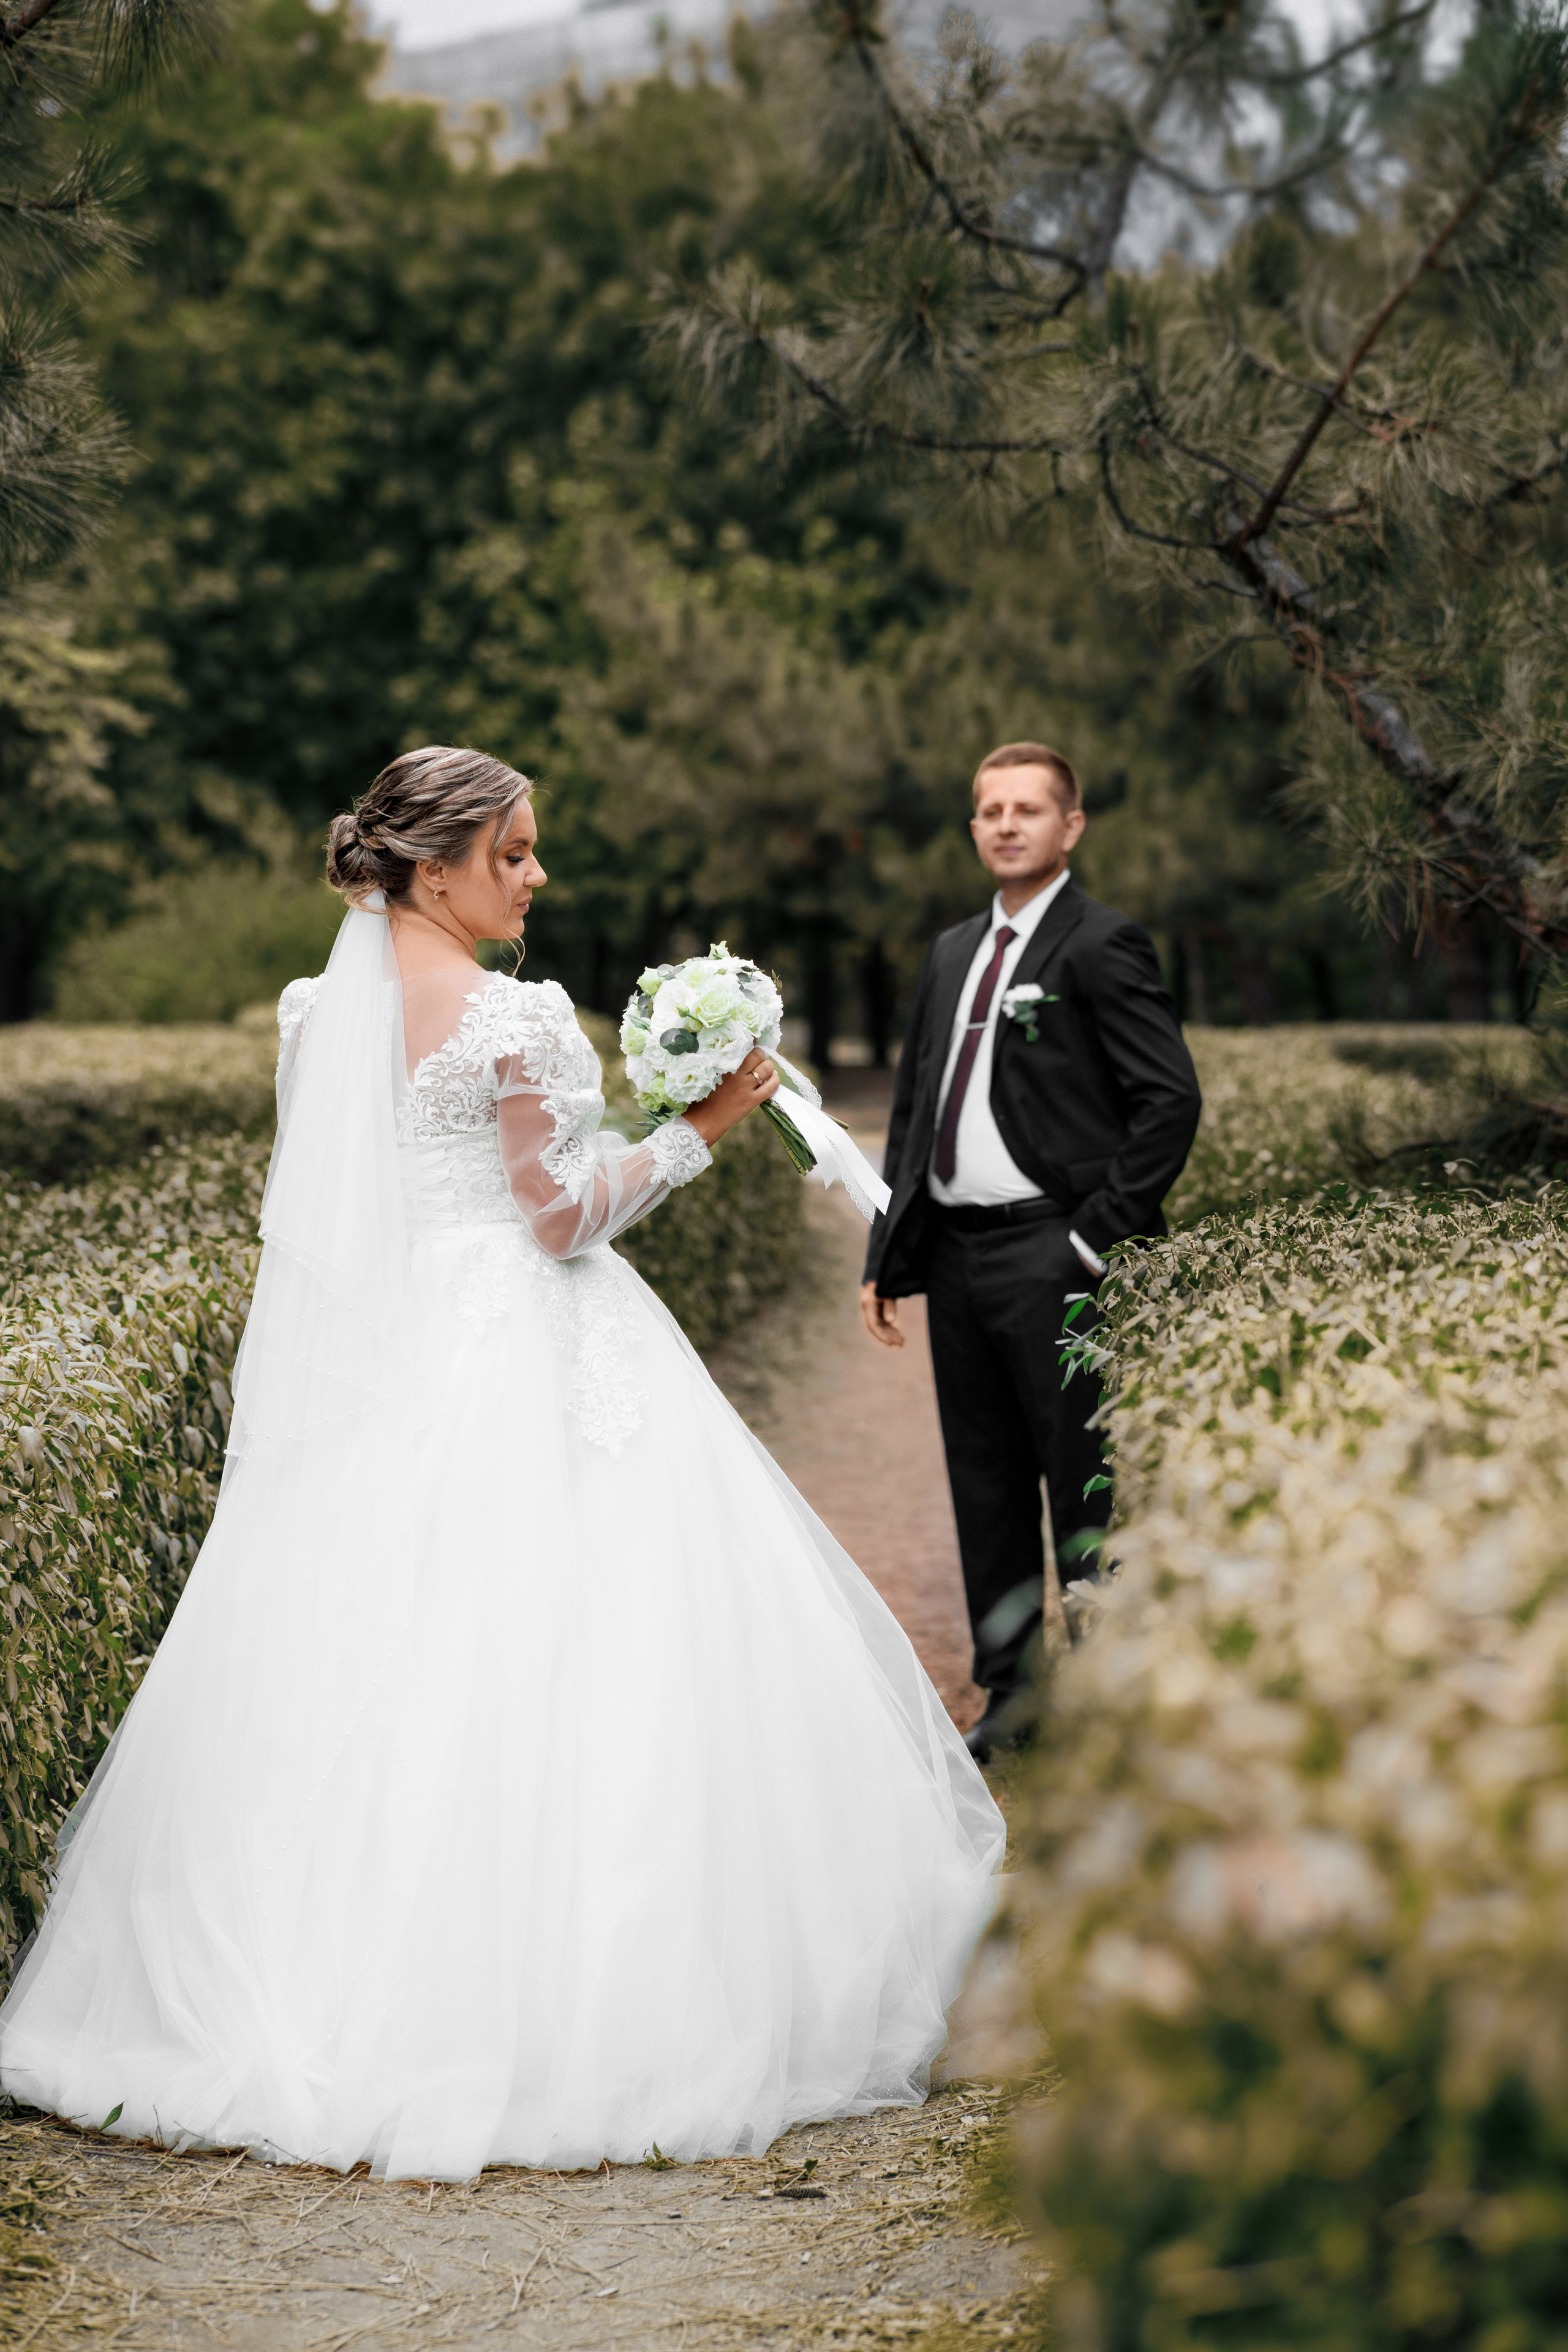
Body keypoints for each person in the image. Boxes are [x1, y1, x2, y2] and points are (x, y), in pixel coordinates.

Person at [0, 747, 1003, 2182]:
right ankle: (574, 2012)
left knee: (378, 1660)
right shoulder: (515, 1016)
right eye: (513, 853)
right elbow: (560, 1220)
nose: (535, 877)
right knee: (583, 1645)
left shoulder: (317, 1014)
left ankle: (337, 1989)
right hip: (526, 1341)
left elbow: (349, 1206)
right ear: (433, 867)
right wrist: (701, 1128)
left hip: (394, 1352)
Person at [861, 742, 1202, 1762]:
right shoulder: (952, 951)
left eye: (1028, 809)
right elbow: (917, 1110)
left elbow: (1169, 1101)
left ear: (1071, 827)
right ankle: (1013, 1698)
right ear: (974, 828)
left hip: (1059, 1256)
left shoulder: (1102, 944)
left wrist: (1093, 1237)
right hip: (957, 1258)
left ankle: (1107, 1700)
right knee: (985, 1482)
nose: (1007, 824)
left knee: (1084, 1480)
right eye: (991, 810)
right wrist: (887, 1251)